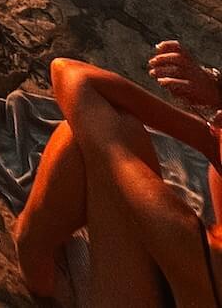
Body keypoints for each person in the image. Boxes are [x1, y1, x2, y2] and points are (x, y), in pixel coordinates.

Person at [15, 57, 221, 303]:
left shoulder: (178, 230)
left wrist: (204, 137)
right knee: (106, 129)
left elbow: (72, 75)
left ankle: (32, 252)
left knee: (93, 133)